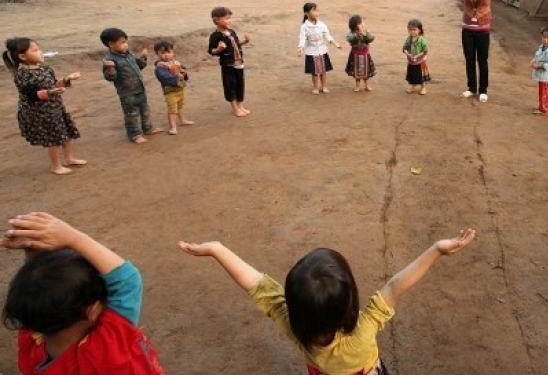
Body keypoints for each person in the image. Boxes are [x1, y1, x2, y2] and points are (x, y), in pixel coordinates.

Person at [178, 228, 476, 375]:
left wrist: (218, 250)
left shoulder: (294, 329)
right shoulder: (363, 330)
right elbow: (396, 285)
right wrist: (436, 250)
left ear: (293, 308)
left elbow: (256, 284)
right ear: (350, 305)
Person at [1, 212, 165, 375]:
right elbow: (127, 284)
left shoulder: (31, 344)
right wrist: (74, 239)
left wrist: (35, 256)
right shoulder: (104, 352)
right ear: (92, 311)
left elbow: (39, 292)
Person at [3, 38, 86, 175]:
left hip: (55, 107)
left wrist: (67, 79)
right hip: (39, 112)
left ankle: (69, 158)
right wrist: (52, 92)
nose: (40, 52)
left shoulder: (45, 68)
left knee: (67, 132)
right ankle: (56, 166)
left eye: (39, 49)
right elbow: (32, 95)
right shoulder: (22, 75)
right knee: (52, 139)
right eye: (35, 50)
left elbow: (55, 83)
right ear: (22, 56)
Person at [444, 0, 497, 103]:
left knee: (483, 61)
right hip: (467, 29)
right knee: (469, 60)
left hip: (483, 29)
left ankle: (483, 90)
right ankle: (472, 88)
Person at [102, 27, 163, 143]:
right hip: (127, 93)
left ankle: (148, 128)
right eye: (122, 43)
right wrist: (110, 68)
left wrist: (143, 57)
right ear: (111, 44)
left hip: (139, 88)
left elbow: (139, 66)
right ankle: (135, 135)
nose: (126, 45)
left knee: (145, 110)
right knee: (131, 114)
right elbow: (110, 77)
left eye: (126, 42)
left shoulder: (129, 54)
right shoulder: (109, 60)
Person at [207, 6, 251, 117]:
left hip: (239, 63)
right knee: (230, 86)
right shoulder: (215, 36)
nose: (229, 21)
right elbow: (211, 51)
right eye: (226, 18)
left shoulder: (231, 32)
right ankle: (235, 108)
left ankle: (240, 105)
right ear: (217, 20)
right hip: (228, 65)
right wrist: (218, 49)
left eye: (230, 18)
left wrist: (244, 41)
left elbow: (235, 45)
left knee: (240, 85)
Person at [298, 2, 341, 95]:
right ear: (306, 13)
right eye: (314, 10)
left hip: (322, 50)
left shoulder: (322, 25)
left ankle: (324, 86)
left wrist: (334, 43)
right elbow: (302, 38)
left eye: (317, 10)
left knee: (323, 70)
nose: (317, 12)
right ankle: (315, 87)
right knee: (314, 72)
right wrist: (300, 47)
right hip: (311, 51)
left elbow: (327, 35)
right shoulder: (304, 27)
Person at [153, 40, 194, 135]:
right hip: (170, 91)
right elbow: (163, 77)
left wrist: (183, 72)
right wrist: (177, 76)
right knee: (172, 109)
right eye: (163, 53)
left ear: (173, 52)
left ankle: (183, 120)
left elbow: (183, 69)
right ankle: (173, 127)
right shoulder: (160, 67)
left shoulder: (175, 62)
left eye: (169, 52)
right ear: (157, 54)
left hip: (179, 89)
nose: (166, 55)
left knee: (180, 106)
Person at [530, 25, 548, 115]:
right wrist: (534, 61)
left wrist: (538, 66)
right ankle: (541, 106)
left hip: (546, 77)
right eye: (544, 37)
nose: (545, 40)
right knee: (542, 91)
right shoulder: (542, 47)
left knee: (544, 92)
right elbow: (538, 56)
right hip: (542, 76)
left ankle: (543, 108)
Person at [344, 14, 376, 92]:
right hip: (355, 55)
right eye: (360, 23)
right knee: (356, 71)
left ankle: (367, 85)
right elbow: (349, 39)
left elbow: (372, 38)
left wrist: (365, 34)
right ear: (355, 26)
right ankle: (357, 85)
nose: (362, 24)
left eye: (362, 22)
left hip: (365, 55)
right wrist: (356, 36)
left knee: (367, 71)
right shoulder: (352, 34)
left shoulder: (366, 32)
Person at [402, 19, 431, 95]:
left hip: (420, 61)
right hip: (411, 61)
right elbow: (404, 48)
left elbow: (425, 51)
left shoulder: (422, 39)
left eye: (414, 29)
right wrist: (408, 54)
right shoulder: (409, 39)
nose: (412, 31)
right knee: (412, 74)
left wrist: (417, 56)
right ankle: (412, 86)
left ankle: (423, 87)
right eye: (410, 29)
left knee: (420, 74)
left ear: (420, 30)